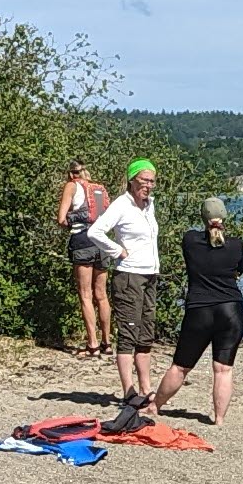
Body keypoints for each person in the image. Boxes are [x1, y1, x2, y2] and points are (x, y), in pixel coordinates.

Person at [149, 195, 243, 425]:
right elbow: (239, 271)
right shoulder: (236, 244)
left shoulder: (190, 240)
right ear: (225, 217)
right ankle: (219, 419)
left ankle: (155, 406)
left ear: (202, 218)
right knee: (223, 369)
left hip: (199, 310)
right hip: (232, 310)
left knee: (181, 366)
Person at [88, 157, 164, 407]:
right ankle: (128, 390)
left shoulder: (149, 205)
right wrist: (117, 250)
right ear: (132, 180)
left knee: (145, 334)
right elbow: (95, 232)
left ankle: (146, 388)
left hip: (150, 274)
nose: (148, 186)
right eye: (144, 181)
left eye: (152, 181)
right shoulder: (122, 204)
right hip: (129, 275)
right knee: (129, 334)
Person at [57, 159, 113, 356]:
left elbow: (61, 219)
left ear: (72, 174)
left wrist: (70, 221)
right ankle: (107, 343)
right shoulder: (99, 189)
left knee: (86, 295)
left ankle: (93, 344)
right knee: (102, 295)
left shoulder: (72, 186)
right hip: (103, 242)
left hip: (82, 240)